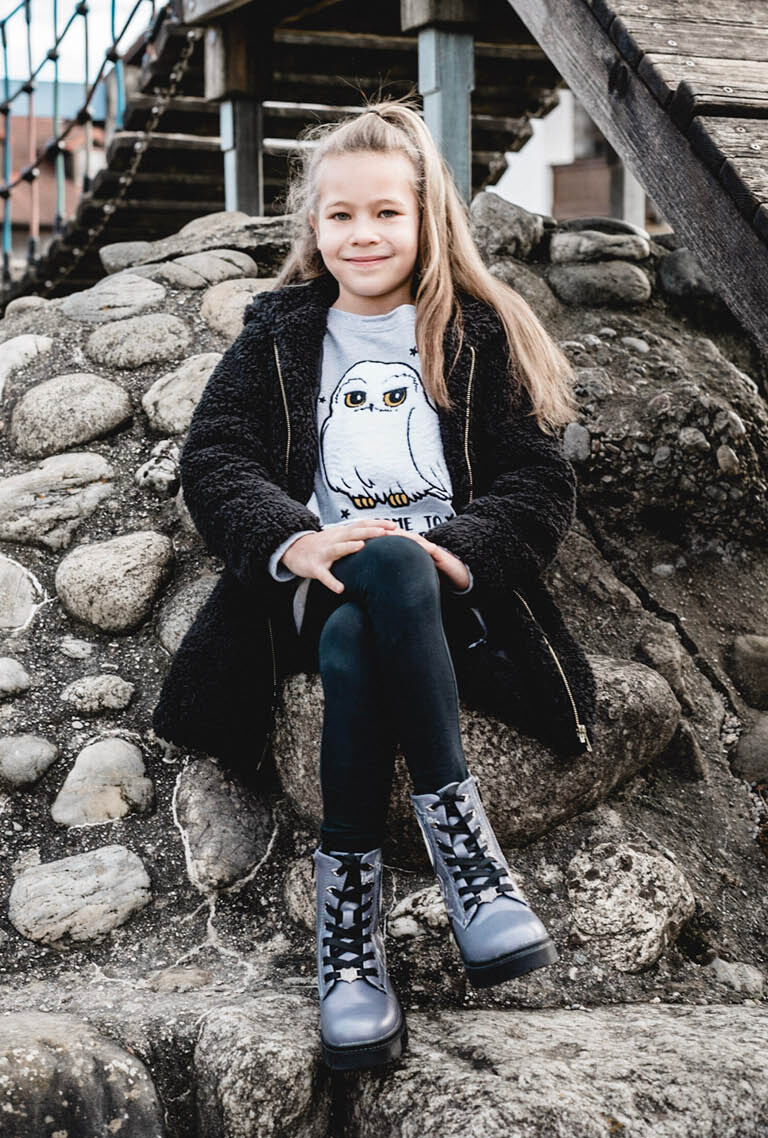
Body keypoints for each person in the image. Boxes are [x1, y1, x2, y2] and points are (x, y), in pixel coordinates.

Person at [152, 95, 597, 1073]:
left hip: (443, 595)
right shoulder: (279, 334)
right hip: (313, 585)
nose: (364, 233)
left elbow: (536, 480)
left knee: (383, 599)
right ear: (313, 225)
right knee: (371, 571)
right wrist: (293, 538)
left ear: (426, 218)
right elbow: (216, 454)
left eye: (387, 212)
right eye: (342, 214)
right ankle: (471, 866)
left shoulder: (477, 331)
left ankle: (349, 945)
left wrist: (462, 547)